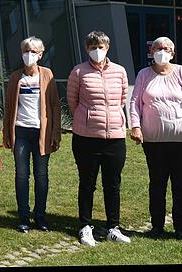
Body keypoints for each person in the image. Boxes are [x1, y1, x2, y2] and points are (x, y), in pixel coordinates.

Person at [129, 37, 182, 241]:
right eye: (158, 48)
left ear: (173, 53)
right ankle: (157, 226)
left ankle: (181, 228)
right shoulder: (144, 74)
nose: (162, 51)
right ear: (151, 51)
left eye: (166, 48)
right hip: (153, 141)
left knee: (180, 184)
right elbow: (135, 102)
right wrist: (135, 126)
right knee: (157, 183)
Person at [67, 30, 131, 246]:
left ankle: (113, 226)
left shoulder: (120, 72)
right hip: (86, 137)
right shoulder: (78, 72)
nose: (97, 51)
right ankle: (85, 226)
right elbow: (73, 101)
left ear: (108, 48)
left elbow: (122, 98)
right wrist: (88, 119)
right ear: (87, 49)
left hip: (115, 137)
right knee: (87, 183)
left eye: (101, 47)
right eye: (93, 47)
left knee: (113, 184)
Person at [3, 36, 61, 233]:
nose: (29, 55)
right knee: (21, 175)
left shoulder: (47, 75)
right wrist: (6, 134)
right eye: (26, 51)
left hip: (41, 132)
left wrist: (55, 133)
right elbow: (9, 107)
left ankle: (40, 216)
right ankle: (23, 216)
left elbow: (54, 105)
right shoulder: (15, 77)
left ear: (41, 54)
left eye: (33, 51)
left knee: (41, 175)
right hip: (21, 131)